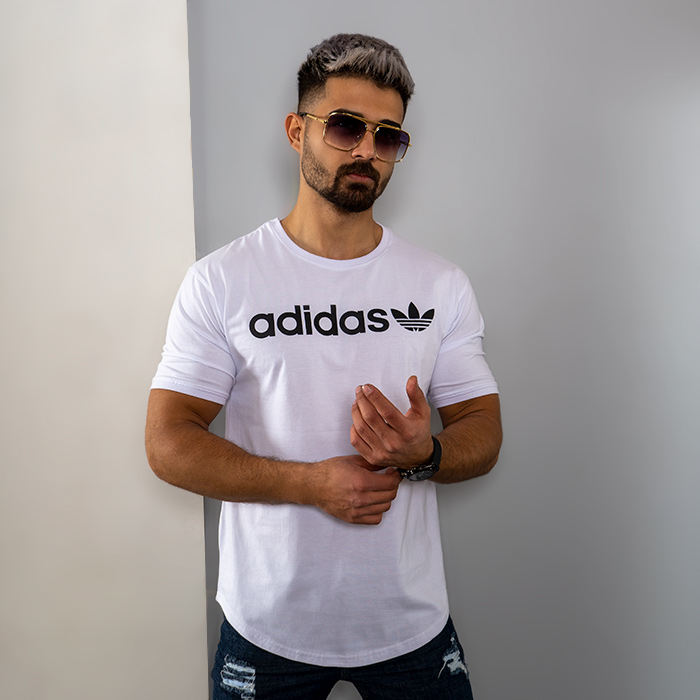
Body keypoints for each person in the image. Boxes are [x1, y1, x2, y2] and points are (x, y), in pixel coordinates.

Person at [146, 33, 502, 700]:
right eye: (345, 126)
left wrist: (424, 454)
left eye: (388, 136)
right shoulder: (223, 280)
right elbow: (167, 443)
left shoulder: (439, 284)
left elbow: (483, 427)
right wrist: (310, 483)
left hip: (409, 624)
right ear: (297, 131)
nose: (367, 149)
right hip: (268, 624)